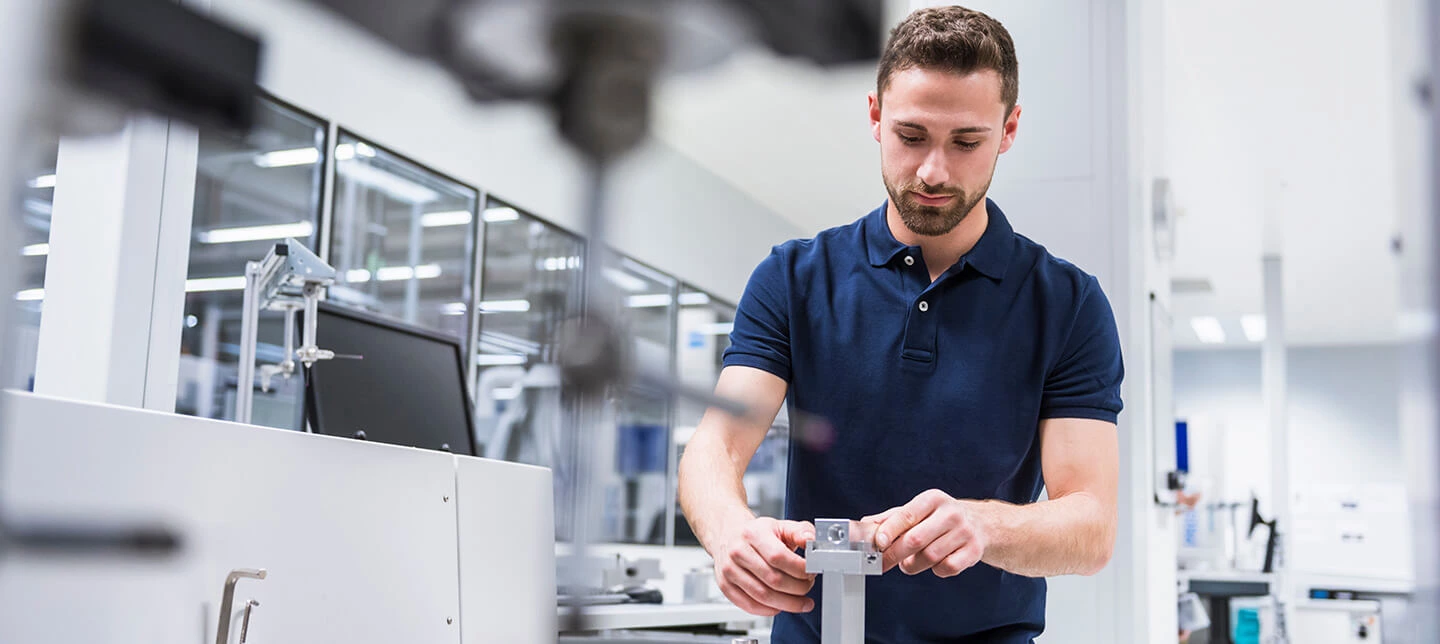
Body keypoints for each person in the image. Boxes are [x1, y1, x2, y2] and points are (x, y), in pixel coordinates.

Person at [676, 5, 1124, 643]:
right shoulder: (794, 278)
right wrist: (731, 535)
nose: (935, 171)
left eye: (966, 141)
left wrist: (985, 526)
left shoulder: (1069, 304)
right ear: (875, 118)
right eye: (911, 136)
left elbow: (1091, 526)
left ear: (1009, 129)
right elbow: (714, 447)